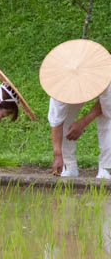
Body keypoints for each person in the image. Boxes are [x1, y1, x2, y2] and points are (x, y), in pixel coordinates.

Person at [39, 39, 111, 178]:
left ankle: (106, 168)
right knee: (65, 120)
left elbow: (108, 107)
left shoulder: (106, 72)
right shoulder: (59, 85)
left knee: (108, 119)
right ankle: (69, 166)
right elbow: (56, 121)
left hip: (106, 91)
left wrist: (83, 122)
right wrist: (57, 154)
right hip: (69, 83)